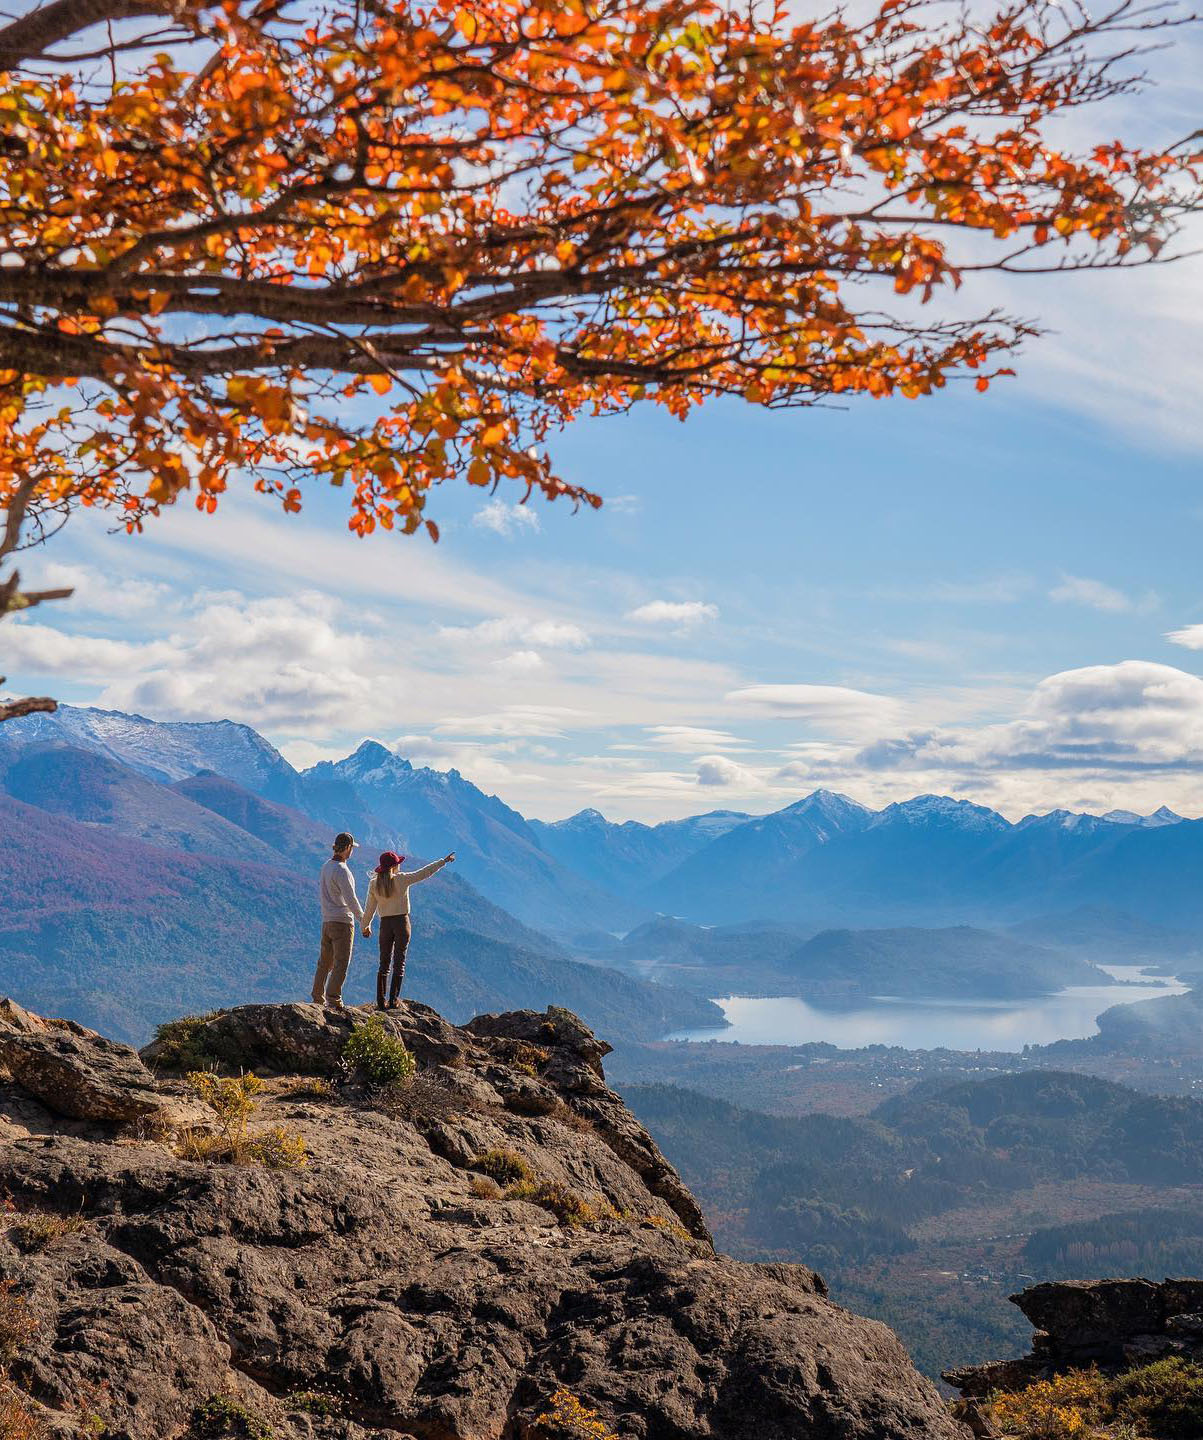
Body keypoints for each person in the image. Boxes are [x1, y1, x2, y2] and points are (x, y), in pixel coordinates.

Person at [362, 849, 455, 1009]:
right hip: (402, 923)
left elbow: (369, 907)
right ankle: (393, 1001)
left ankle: (380, 1001)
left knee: (384, 963)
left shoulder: (374, 883)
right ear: (394, 866)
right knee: (399, 962)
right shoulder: (402, 879)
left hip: (385, 925)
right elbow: (424, 873)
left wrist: (365, 926)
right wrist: (443, 861)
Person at [312, 832, 364, 1009]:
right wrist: (363, 920)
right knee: (341, 962)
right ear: (347, 848)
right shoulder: (343, 871)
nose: (352, 852)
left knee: (324, 962)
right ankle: (333, 999)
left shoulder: (326, 866)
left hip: (327, 921)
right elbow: (351, 899)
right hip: (342, 922)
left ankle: (317, 997)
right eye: (352, 848)